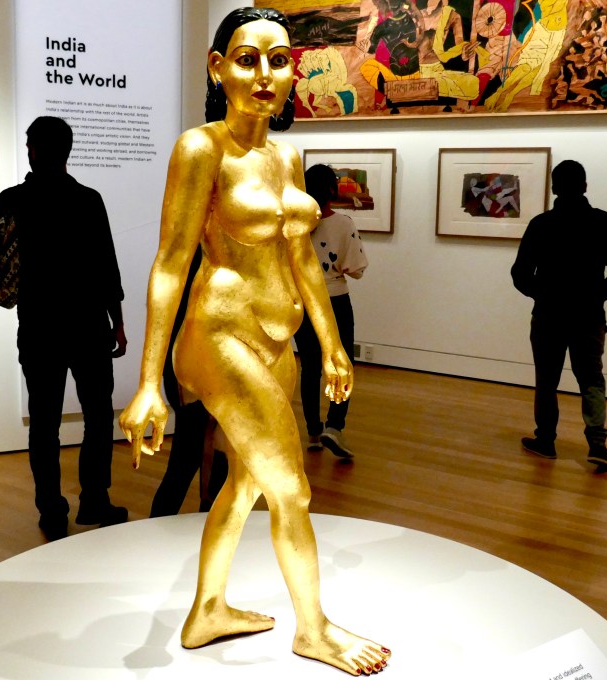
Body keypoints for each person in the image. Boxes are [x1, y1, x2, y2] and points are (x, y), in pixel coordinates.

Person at [119, 8, 390, 676]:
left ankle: (207, 610)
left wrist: (331, 343)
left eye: (278, 60)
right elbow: (170, 263)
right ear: (218, 68)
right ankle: (314, 630)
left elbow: (301, 260)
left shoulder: (287, 155)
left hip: (276, 340)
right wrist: (148, 382)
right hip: (218, 335)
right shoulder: (201, 149)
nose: (265, 74)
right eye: (247, 59)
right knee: (291, 488)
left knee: (245, 485)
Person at [0, 115, 128, 541]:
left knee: (44, 423)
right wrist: (117, 322)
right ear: (67, 151)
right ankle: (95, 499)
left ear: (32, 149)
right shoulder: (87, 200)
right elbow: (106, 265)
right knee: (97, 415)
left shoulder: (12, 201)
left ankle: (50, 508)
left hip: (39, 325)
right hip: (87, 324)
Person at [511, 159, 607, 472]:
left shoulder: (541, 224)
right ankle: (598, 445)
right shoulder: (602, 222)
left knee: (547, 379)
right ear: (585, 186)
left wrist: (542, 293)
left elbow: (520, 274)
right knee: (591, 379)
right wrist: (601, 293)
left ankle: (546, 440)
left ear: (554, 188)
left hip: (548, 315)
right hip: (589, 315)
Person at [294, 164, 368, 458]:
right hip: (335, 301)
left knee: (310, 367)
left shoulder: (293, 226)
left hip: (303, 303)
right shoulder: (343, 224)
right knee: (342, 363)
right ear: (331, 190)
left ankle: (313, 431)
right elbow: (356, 270)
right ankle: (334, 427)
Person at [149, 248, 228, 518]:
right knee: (190, 456)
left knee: (212, 453)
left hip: (197, 364)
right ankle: (171, 521)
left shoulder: (189, 258)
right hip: (192, 368)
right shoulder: (199, 259)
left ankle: (206, 520)